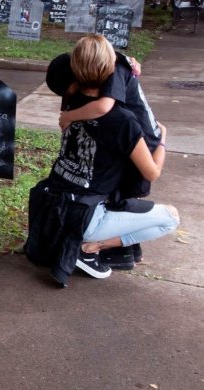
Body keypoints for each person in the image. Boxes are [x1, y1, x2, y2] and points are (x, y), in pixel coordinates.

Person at [24, 34, 179, 286]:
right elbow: (151, 173)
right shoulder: (122, 120)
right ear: (112, 70)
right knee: (171, 217)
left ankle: (98, 244)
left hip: (51, 205)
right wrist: (162, 140)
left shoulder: (70, 106)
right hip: (82, 217)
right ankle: (91, 249)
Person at [48, 46, 164, 270]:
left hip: (143, 138)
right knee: (116, 186)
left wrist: (69, 116)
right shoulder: (106, 64)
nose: (72, 96)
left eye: (70, 90)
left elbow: (103, 106)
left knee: (125, 193)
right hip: (132, 135)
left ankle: (114, 251)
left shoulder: (113, 75)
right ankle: (127, 251)